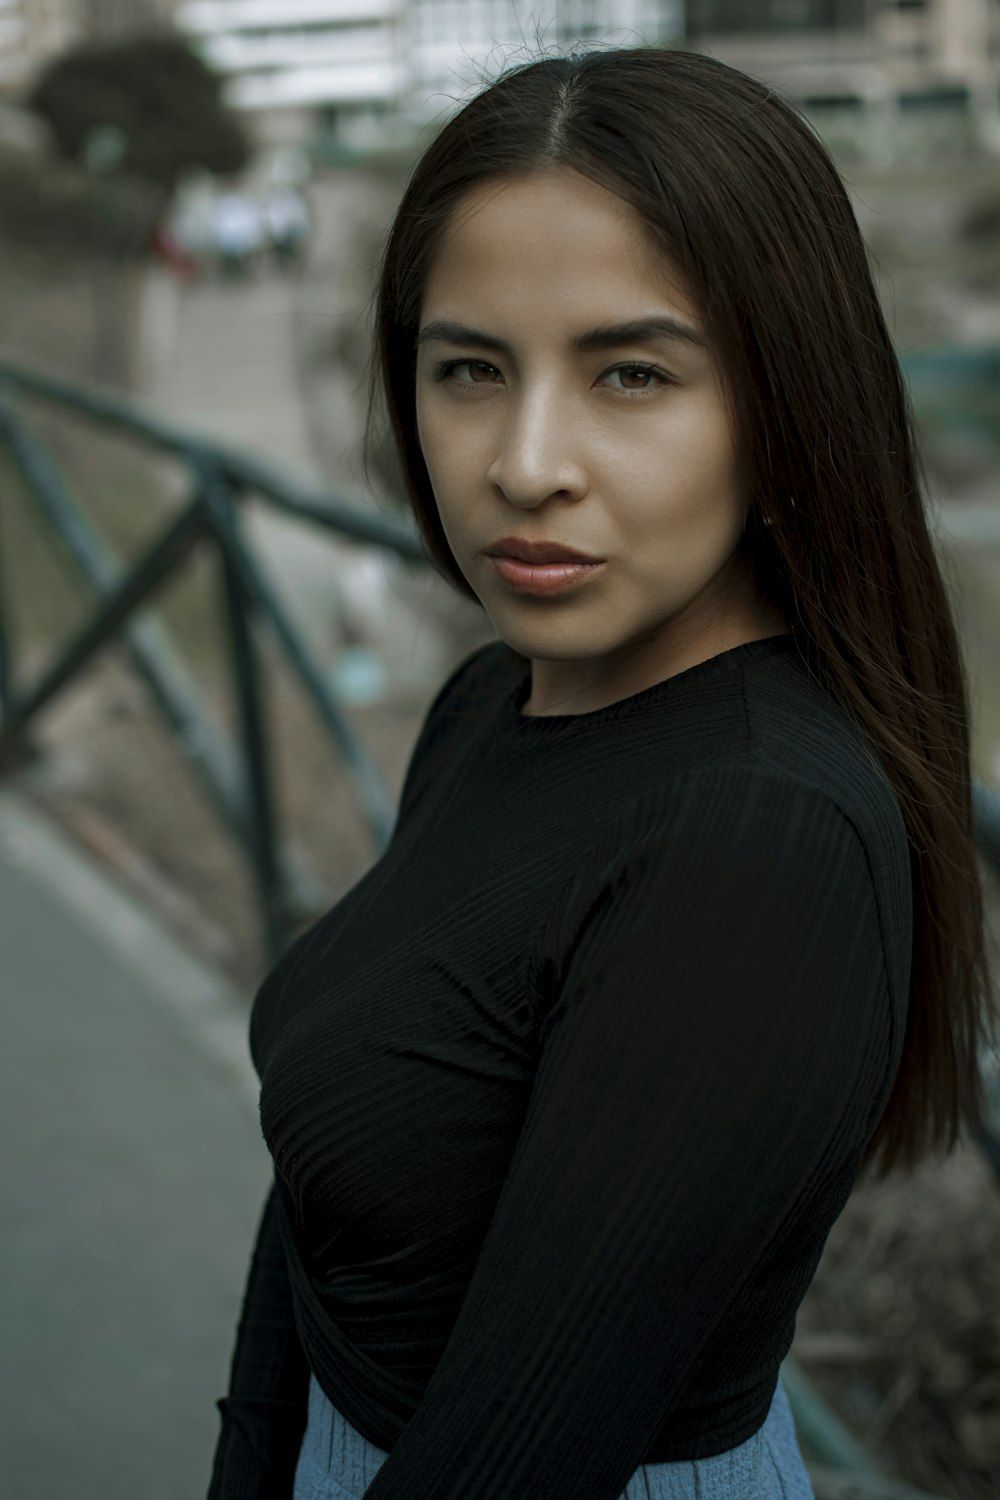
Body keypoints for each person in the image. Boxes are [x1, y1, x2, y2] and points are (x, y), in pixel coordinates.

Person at [206, 46, 997, 1500]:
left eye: (631, 373)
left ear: (786, 407)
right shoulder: (494, 698)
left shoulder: (755, 838)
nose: (525, 461)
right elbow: (319, 1205)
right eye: (469, 370)